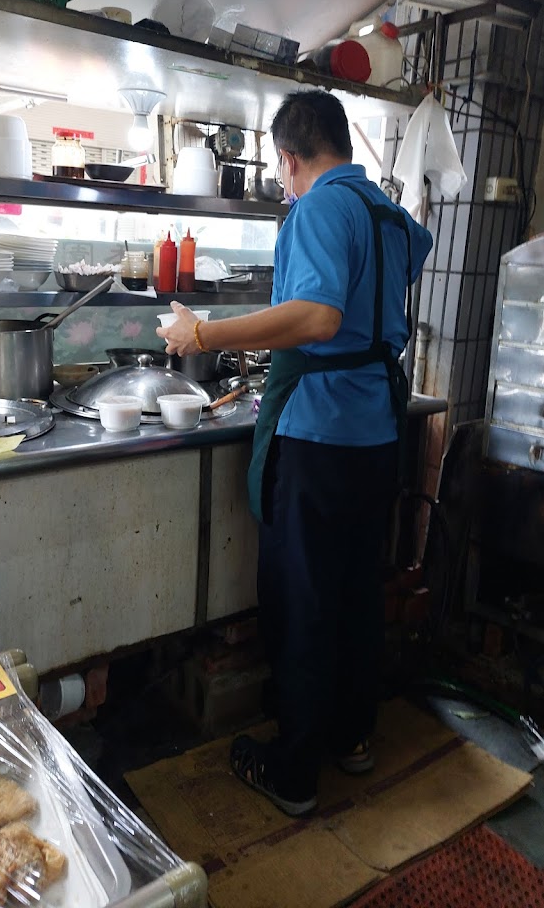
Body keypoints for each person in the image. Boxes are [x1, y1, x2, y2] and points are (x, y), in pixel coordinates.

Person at [157, 91, 433, 816]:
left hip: (318, 437)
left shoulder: (316, 208)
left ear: (288, 158)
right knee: (352, 594)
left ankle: (295, 773)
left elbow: (317, 316)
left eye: (282, 167)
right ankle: (352, 738)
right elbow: (395, 278)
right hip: (378, 433)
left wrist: (205, 335)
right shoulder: (389, 215)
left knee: (303, 603)